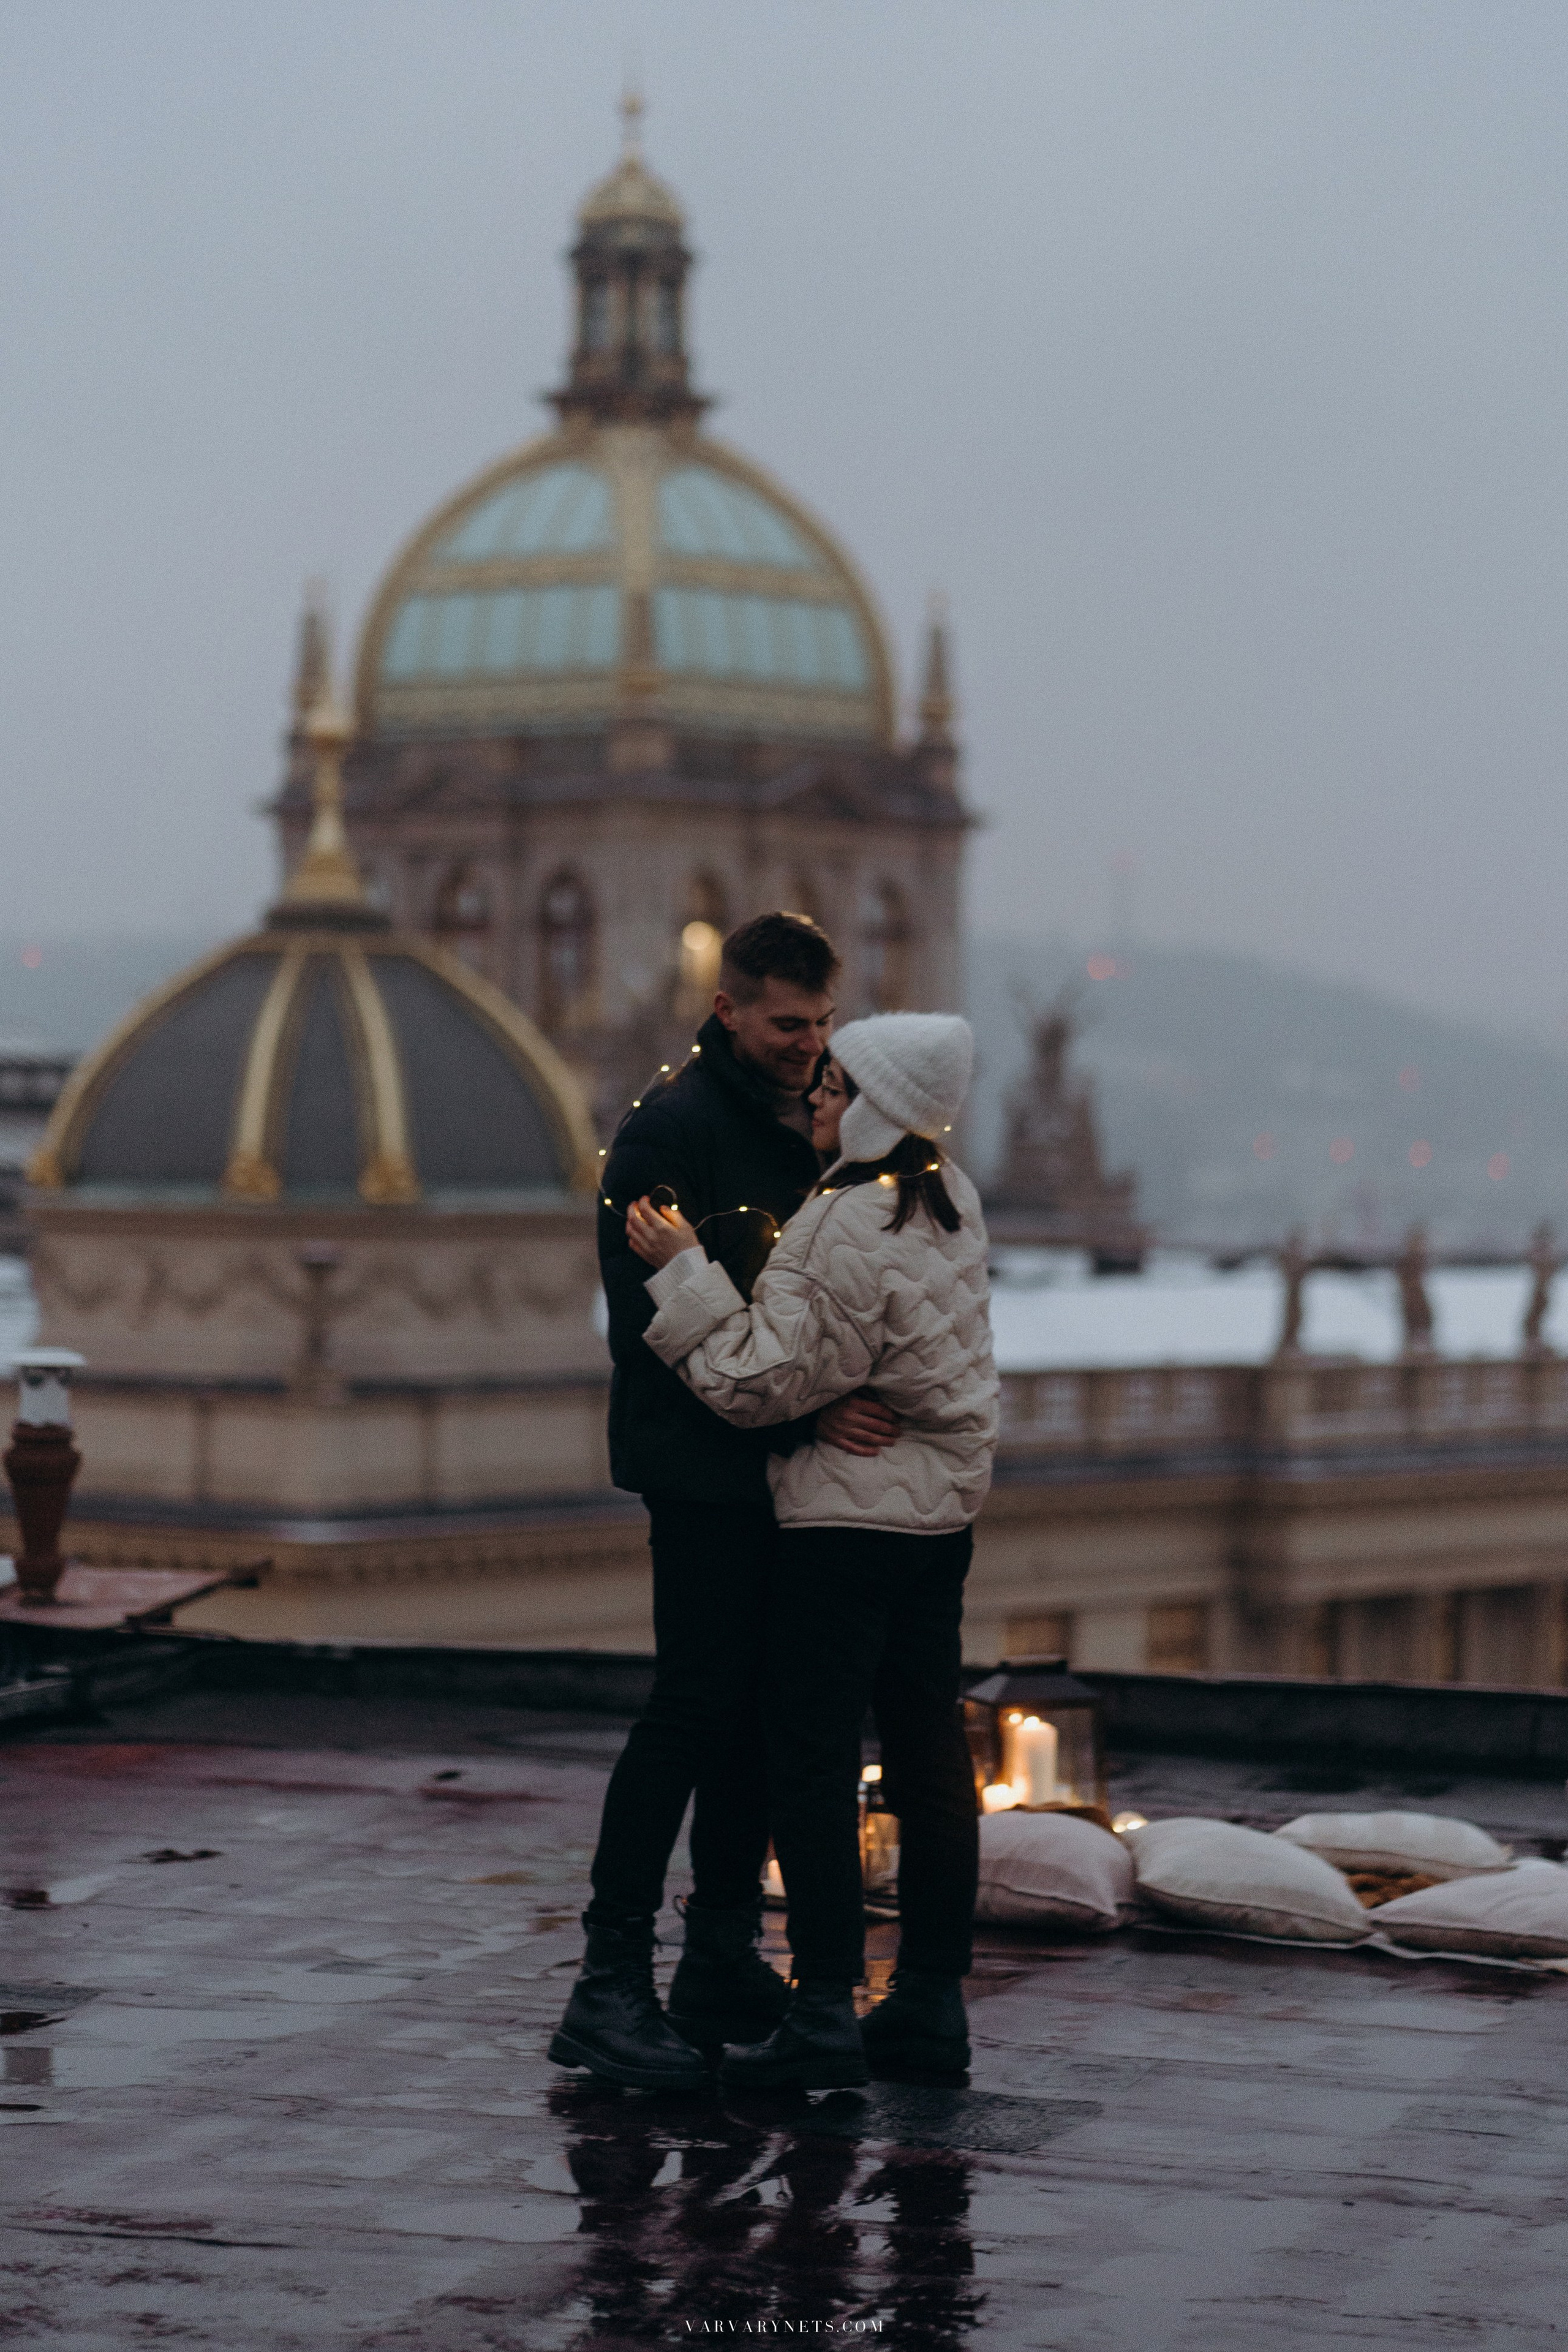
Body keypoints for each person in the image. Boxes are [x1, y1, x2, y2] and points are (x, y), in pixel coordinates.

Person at [549, 913, 899, 2091]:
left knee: (749, 1716)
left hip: (774, 1473)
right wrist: (805, 1415)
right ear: (729, 1012)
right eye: (788, 1024)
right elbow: (660, 1326)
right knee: (692, 1713)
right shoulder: (672, 1132)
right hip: (701, 1472)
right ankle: (608, 1986)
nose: (810, 1045)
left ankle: (713, 1962)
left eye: (822, 1024)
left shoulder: (798, 1123)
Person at [627, 1012, 998, 2088]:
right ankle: (930, 2002)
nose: (816, 1098)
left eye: (835, 1083)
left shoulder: (840, 1220)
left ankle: (825, 2006)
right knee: (932, 1759)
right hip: (939, 1520)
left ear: (874, 1102)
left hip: (844, 1528)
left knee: (814, 1762)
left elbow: (753, 1383)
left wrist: (686, 1268)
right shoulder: (953, 1200)